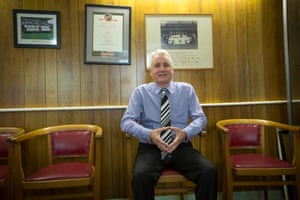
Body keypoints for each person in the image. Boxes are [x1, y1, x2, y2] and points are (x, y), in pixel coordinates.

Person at [120, 49, 217, 200]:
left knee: (209, 171)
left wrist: (185, 133)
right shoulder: (140, 92)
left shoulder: (187, 90)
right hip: (150, 148)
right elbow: (126, 122)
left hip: (180, 146)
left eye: (166, 65)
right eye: (157, 65)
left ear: (172, 70)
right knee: (141, 177)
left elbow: (201, 118)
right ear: (151, 71)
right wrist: (149, 135)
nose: (162, 69)